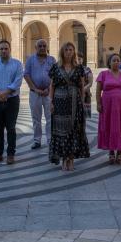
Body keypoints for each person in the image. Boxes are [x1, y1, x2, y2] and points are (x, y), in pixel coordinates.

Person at [48, 42, 90, 171]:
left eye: (71, 49)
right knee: (60, 131)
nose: (68, 52)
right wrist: (51, 102)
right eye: (66, 49)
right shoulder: (55, 67)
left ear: (74, 52)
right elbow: (52, 86)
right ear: (62, 51)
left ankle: (70, 158)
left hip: (74, 103)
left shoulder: (79, 68)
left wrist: (82, 102)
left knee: (73, 130)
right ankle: (63, 158)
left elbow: (81, 86)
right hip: (59, 102)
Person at [0, 40, 24, 165]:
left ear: (10, 49)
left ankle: (10, 154)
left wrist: (6, 93)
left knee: (11, 128)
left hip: (12, 100)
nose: (3, 51)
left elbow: (18, 81)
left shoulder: (17, 64)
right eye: (1, 49)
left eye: (6, 48)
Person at [96, 53, 121, 164]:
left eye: (118, 60)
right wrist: (98, 103)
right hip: (108, 106)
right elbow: (98, 91)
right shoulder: (103, 74)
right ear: (109, 62)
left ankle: (120, 152)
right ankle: (111, 152)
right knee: (109, 126)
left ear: (120, 62)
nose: (116, 62)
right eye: (114, 60)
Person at [24, 39, 56, 150]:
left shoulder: (52, 60)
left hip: (49, 93)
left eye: (44, 46)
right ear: (35, 48)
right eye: (40, 46)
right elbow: (26, 75)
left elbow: (55, 76)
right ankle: (37, 140)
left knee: (50, 117)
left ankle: (50, 140)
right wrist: (35, 89)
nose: (42, 48)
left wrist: (49, 88)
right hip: (35, 93)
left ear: (47, 47)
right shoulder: (30, 60)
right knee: (36, 118)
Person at [77, 52, 93, 118]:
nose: (78, 60)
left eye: (80, 59)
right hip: (75, 94)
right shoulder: (72, 69)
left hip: (86, 94)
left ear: (82, 60)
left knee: (84, 117)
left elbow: (90, 83)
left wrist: (82, 90)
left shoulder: (87, 69)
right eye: (77, 59)